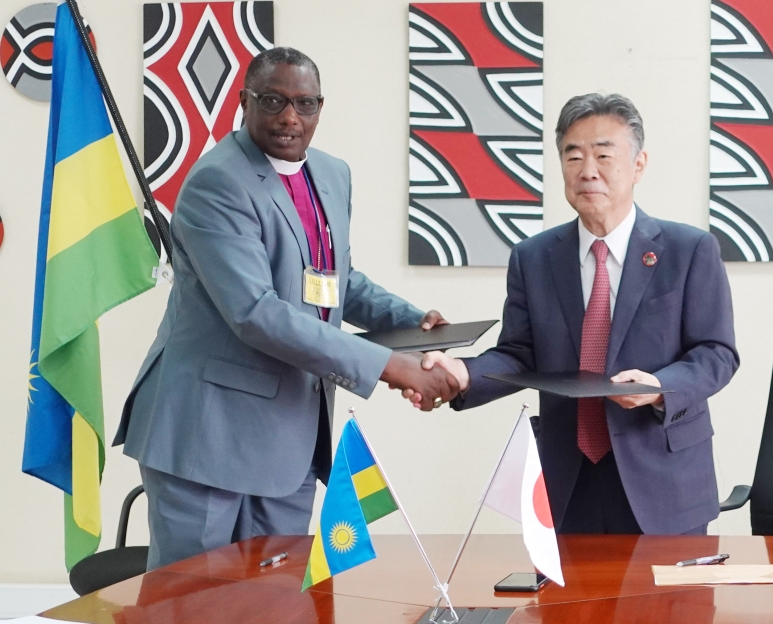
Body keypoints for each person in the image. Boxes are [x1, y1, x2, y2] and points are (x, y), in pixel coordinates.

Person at [113, 47, 458, 569]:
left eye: (305, 103)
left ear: (321, 107)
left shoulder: (332, 174)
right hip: (207, 434)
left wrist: (414, 323)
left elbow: (332, 279)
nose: (290, 117)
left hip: (290, 435)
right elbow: (257, 313)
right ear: (244, 101)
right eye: (273, 101)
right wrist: (389, 366)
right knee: (195, 599)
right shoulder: (216, 182)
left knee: (277, 596)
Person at [411, 93, 738, 535]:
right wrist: (464, 374)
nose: (588, 171)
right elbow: (520, 353)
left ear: (638, 165)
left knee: (665, 586)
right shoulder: (534, 257)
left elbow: (717, 353)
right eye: (573, 156)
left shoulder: (689, 249)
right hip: (567, 479)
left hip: (663, 477)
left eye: (604, 155)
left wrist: (658, 387)